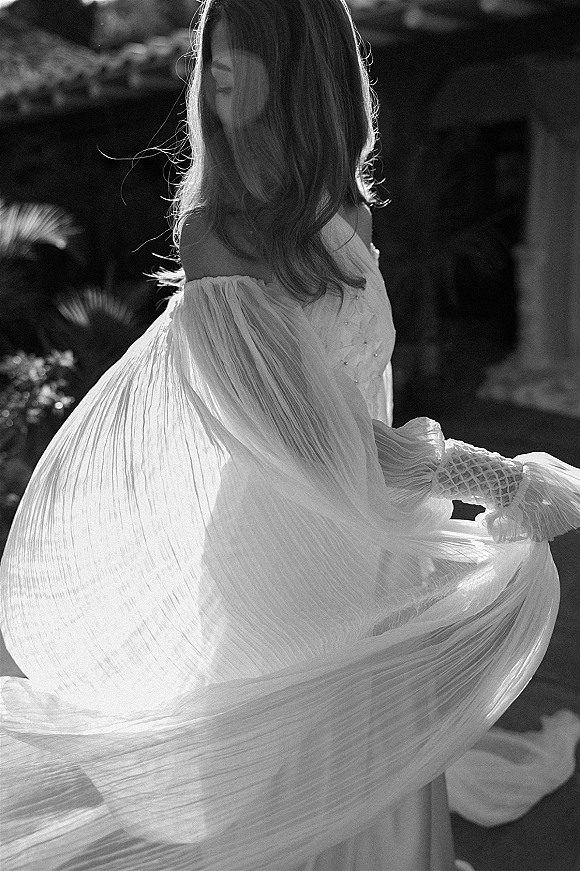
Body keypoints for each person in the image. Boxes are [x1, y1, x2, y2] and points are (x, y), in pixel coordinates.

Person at [1, 1, 579, 869]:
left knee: (382, 763)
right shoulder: (215, 236)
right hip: (281, 547)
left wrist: (440, 488)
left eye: (245, 45)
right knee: (304, 771)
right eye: (211, 49)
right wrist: (491, 478)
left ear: (307, 66)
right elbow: (307, 438)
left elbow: (368, 398)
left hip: (375, 534)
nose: (217, 64)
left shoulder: (353, 215)